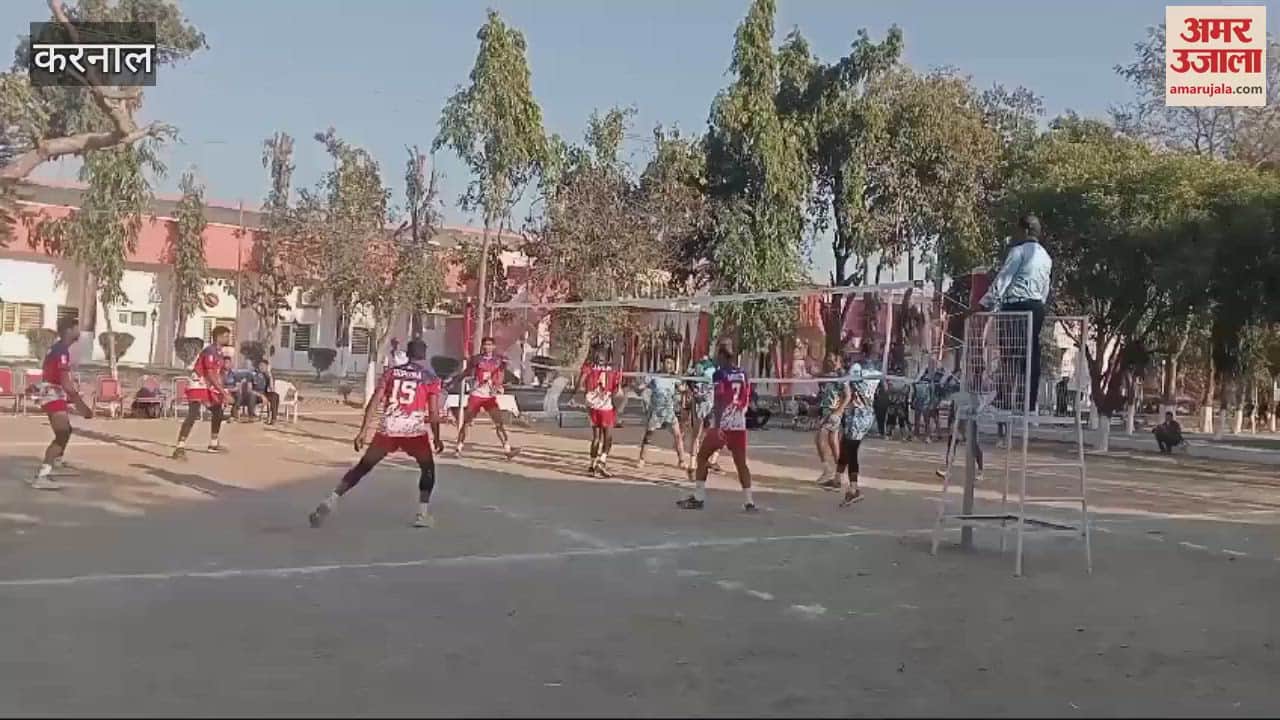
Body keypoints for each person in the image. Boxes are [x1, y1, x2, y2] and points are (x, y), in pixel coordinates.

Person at [309, 339, 448, 528]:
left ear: (407, 354)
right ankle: (422, 513)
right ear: (423, 355)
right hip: (413, 431)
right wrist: (437, 437)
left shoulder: (391, 373)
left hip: (388, 428)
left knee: (363, 466)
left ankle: (331, 499)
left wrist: (363, 431)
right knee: (427, 468)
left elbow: (374, 402)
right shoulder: (430, 377)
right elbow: (433, 412)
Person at [979, 213, 1053, 413]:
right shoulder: (1046, 257)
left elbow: (1003, 280)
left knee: (1011, 353)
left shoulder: (1018, 252)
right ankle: (1027, 401)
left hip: (1016, 307)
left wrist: (984, 303)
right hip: (1036, 307)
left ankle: (1004, 398)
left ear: (1025, 230)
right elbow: (1045, 287)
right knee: (1031, 354)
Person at [678, 343, 756, 512]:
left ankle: (698, 497)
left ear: (722, 355)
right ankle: (749, 501)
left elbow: (720, 399)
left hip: (724, 425)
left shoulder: (720, 374)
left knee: (702, 456)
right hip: (739, 425)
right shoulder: (743, 374)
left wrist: (718, 424)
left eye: (717, 356)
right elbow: (747, 397)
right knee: (741, 463)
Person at [30, 317, 94, 490]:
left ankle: (56, 462)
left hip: (52, 392)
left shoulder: (58, 348)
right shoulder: (61, 351)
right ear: (68, 331)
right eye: (76, 328)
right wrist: (82, 407)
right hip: (52, 394)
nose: (78, 332)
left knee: (66, 431)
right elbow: (66, 384)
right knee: (62, 432)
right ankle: (42, 476)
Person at [449, 336, 516, 459]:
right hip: (476, 394)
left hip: (489, 397)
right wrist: (454, 381)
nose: (487, 347)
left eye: (490, 345)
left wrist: (500, 384)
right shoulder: (476, 359)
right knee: (466, 423)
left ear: (493, 347)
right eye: (485, 344)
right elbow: (466, 372)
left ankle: (507, 449)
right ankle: (458, 447)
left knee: (499, 423)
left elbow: (503, 372)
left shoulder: (498, 360)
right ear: (482, 346)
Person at [173, 326, 233, 459]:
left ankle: (213, 444)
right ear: (219, 337)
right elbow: (210, 374)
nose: (228, 338)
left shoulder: (219, 352)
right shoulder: (209, 351)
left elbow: (217, 374)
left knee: (217, 410)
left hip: (207, 385)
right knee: (193, 414)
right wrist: (223, 393)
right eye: (226, 336)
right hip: (198, 384)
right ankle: (179, 447)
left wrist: (222, 390)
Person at [579, 343, 624, 477]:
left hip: (593, 404)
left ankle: (592, 465)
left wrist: (586, 393)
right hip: (604, 405)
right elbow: (617, 391)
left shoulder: (589, 366)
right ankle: (601, 461)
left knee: (596, 437)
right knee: (608, 436)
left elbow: (581, 384)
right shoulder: (612, 369)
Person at [637, 355, 687, 470]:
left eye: (671, 363)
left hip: (669, 411)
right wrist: (639, 388)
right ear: (662, 364)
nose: (669, 366)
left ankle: (682, 461)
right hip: (656, 412)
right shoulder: (654, 376)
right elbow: (642, 387)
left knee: (678, 435)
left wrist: (689, 386)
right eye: (667, 363)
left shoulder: (674, 377)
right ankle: (641, 459)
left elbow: (682, 389)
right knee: (648, 436)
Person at [835, 364, 875, 507]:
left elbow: (847, 395)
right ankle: (837, 478)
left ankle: (853, 490)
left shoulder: (853, 374)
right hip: (864, 416)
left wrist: (839, 411)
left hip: (857, 417)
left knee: (851, 451)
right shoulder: (874, 374)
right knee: (845, 445)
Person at [815, 351, 849, 487]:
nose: (829, 362)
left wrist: (838, 412)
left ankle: (828, 470)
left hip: (832, 412)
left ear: (838, 360)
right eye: (827, 360)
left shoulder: (841, 375)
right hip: (826, 411)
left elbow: (847, 396)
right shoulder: (829, 375)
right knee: (833, 442)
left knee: (819, 439)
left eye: (832, 360)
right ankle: (840, 474)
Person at [686, 355, 723, 473]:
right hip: (700, 405)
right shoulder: (697, 367)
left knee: (711, 434)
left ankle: (709, 461)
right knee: (696, 434)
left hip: (711, 405)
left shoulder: (717, 367)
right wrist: (695, 393)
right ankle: (692, 465)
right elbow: (689, 381)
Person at [241, 358, 278, 424]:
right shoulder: (252, 374)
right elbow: (249, 390)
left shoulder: (267, 375)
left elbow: (272, 389)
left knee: (275, 395)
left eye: (264, 366)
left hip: (264, 394)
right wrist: (261, 396)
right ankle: (251, 417)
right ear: (258, 366)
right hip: (255, 395)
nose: (262, 367)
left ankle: (274, 418)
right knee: (252, 395)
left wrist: (269, 375)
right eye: (261, 365)